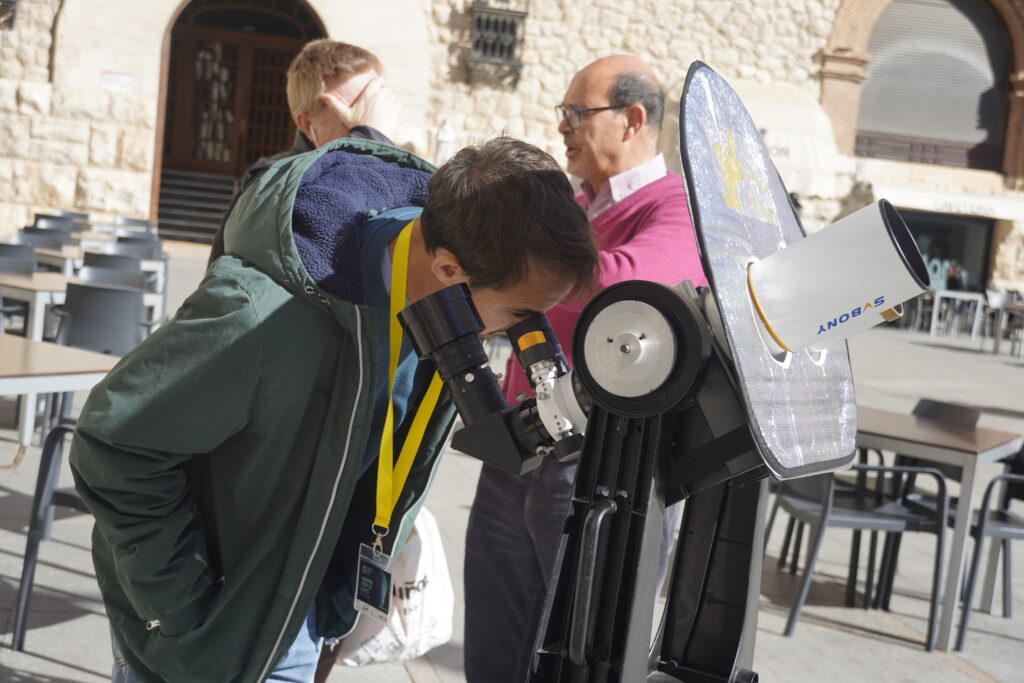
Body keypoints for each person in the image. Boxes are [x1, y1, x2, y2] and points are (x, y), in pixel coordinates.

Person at [69, 135, 597, 683]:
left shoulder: (441, 294)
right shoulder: (263, 317)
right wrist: (184, 611)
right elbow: (113, 444)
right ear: (447, 269)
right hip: (218, 627)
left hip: (307, 610)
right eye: (518, 315)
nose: (520, 336)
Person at [463, 54, 709, 683]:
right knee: (493, 651)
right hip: (520, 443)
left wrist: (511, 256)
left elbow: (625, 287)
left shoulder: (679, 206)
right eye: (563, 113)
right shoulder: (574, 206)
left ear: (633, 120)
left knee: (583, 655)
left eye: (577, 113)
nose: (563, 127)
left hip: (602, 465)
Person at [207, 38, 400, 266]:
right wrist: (370, 139)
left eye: (375, 105)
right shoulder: (272, 181)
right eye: (355, 115)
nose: (375, 119)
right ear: (308, 125)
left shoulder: (400, 173)